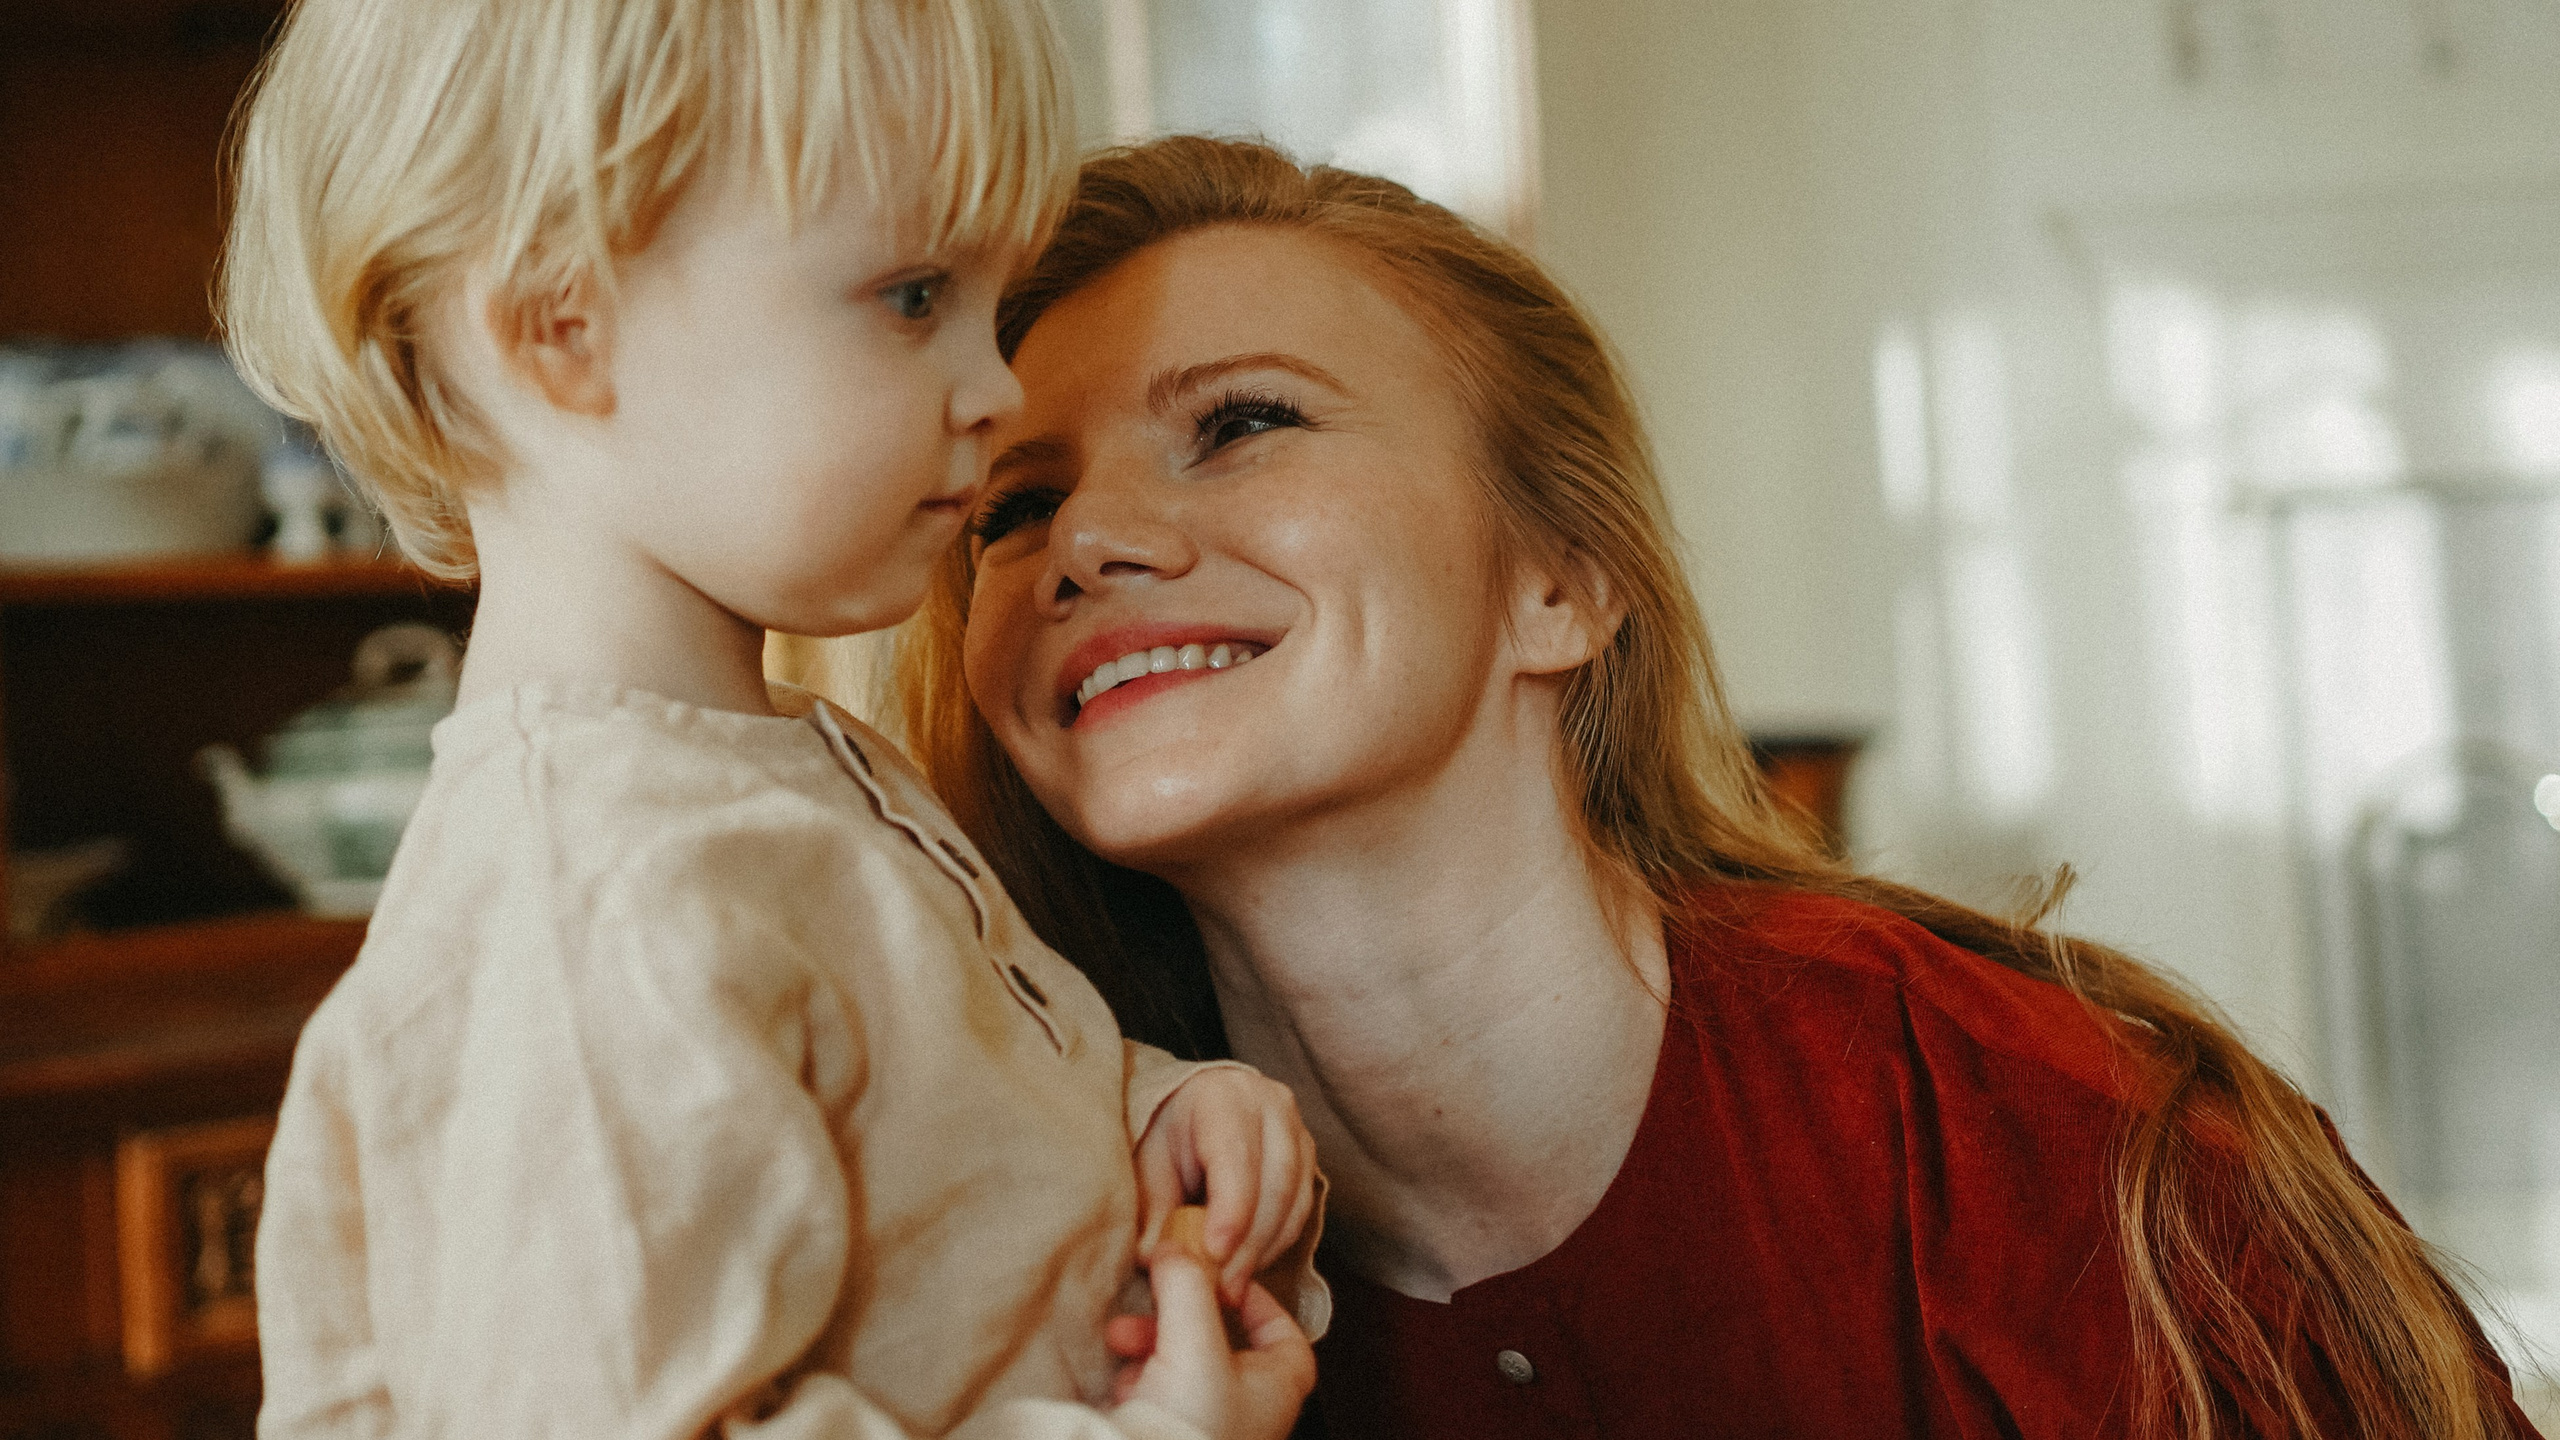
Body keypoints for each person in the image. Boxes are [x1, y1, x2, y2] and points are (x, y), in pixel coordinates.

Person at [899, 134, 2547, 1439]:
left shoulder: (2062, 1151)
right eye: (1012, 507)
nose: (1090, 541)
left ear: (1560, 581)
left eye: (1243, 421)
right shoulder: (1019, 1244)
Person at [219, 11, 1325, 1438]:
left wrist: (1146, 1118)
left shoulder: (780, 768)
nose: (996, 388)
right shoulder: (595, 897)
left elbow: (914, 1154)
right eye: (916, 295)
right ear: (563, 327)